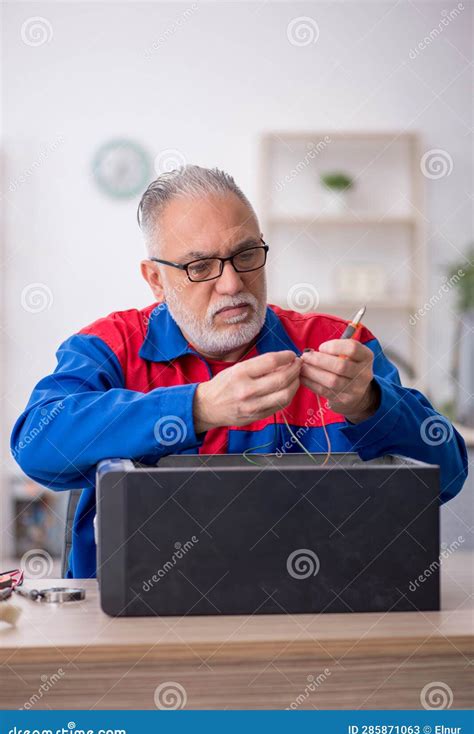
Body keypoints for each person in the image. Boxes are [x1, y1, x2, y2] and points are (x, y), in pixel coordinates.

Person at [11, 166, 468, 578]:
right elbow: (36, 446)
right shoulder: (110, 347)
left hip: (318, 614)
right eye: (200, 266)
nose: (232, 284)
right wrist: (197, 408)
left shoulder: (341, 348)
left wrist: (369, 405)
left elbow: (445, 478)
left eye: (246, 254)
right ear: (155, 279)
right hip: (131, 623)